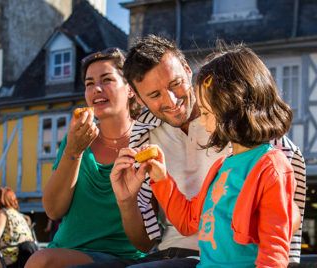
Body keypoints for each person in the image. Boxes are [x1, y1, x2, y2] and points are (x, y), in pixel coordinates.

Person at [77, 35, 306, 268]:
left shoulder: (248, 131)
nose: (172, 100)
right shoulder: (144, 138)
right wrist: (130, 198)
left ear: (187, 70)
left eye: (175, 83)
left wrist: (244, 222)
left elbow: (284, 219)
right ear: (137, 96)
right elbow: (167, 230)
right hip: (170, 256)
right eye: (155, 95)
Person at [141, 43, 297, 267]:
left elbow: (274, 249)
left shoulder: (270, 166)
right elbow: (187, 222)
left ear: (232, 107)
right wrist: (161, 178)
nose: (201, 121)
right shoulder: (222, 166)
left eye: (205, 113)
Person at [25, 48, 144, 268]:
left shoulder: (148, 141)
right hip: (65, 250)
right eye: (89, 83)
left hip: (123, 255)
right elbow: (53, 210)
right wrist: (73, 150)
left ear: (130, 89)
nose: (96, 89)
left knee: (41, 261)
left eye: (106, 79)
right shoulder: (76, 140)